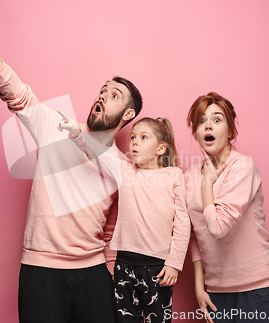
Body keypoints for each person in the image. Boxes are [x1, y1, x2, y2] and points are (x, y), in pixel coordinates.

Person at [0, 3, 143, 323]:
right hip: (41, 271)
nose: (102, 96)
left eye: (113, 95)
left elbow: (114, 231)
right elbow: (16, 94)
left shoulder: (121, 167)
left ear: (127, 115)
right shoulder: (56, 126)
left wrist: (110, 278)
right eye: (102, 91)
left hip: (94, 274)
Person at [58, 114, 191, 323]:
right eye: (133, 137)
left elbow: (183, 223)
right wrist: (76, 134)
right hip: (124, 265)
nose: (135, 141)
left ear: (161, 149)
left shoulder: (174, 175)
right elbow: (98, 153)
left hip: (157, 268)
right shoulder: (125, 171)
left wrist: (174, 264)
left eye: (144, 137)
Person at [184, 92, 269, 323]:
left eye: (217, 120)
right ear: (196, 134)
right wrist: (200, 286)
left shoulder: (242, 167)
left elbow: (218, 227)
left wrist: (207, 183)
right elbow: (196, 235)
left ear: (230, 132)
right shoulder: (189, 177)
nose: (208, 125)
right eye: (201, 121)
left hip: (258, 289)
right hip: (217, 293)